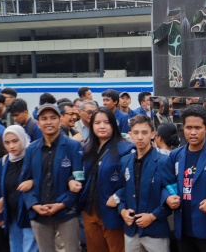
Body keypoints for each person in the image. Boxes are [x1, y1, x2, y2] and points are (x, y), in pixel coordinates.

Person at [163, 105, 206, 252]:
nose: (193, 132)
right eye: (189, 128)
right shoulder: (176, 155)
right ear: (183, 128)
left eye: (198, 128)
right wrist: (168, 197)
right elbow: (167, 183)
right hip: (182, 228)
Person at [71, 107, 134, 252]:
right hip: (90, 210)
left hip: (113, 210)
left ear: (113, 125)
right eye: (97, 123)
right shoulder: (87, 149)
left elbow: (133, 180)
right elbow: (79, 174)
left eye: (106, 122)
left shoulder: (125, 148)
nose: (102, 126)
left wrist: (118, 197)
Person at [21, 104, 83, 252]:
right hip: (40, 214)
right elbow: (25, 181)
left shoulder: (73, 146)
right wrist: (34, 205)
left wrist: (61, 204)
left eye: (53, 118)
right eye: (44, 119)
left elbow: (79, 179)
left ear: (60, 120)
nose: (48, 122)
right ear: (38, 123)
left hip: (66, 213)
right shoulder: (31, 149)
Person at [112, 114, 175, 251]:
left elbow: (172, 196)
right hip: (131, 229)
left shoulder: (163, 161)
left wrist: (153, 216)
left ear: (152, 134)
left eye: (144, 132)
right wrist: (122, 210)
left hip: (156, 230)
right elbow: (120, 190)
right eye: (136, 133)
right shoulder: (125, 161)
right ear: (130, 134)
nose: (140, 137)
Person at [0, 125, 38, 252]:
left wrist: (32, 181)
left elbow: (44, 179)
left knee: (30, 248)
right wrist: (0, 211)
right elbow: (1, 187)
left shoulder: (32, 157)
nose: (11, 146)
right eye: (7, 143)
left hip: (30, 213)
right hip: (13, 214)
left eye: (15, 141)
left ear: (23, 139)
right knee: (16, 247)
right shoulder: (4, 162)